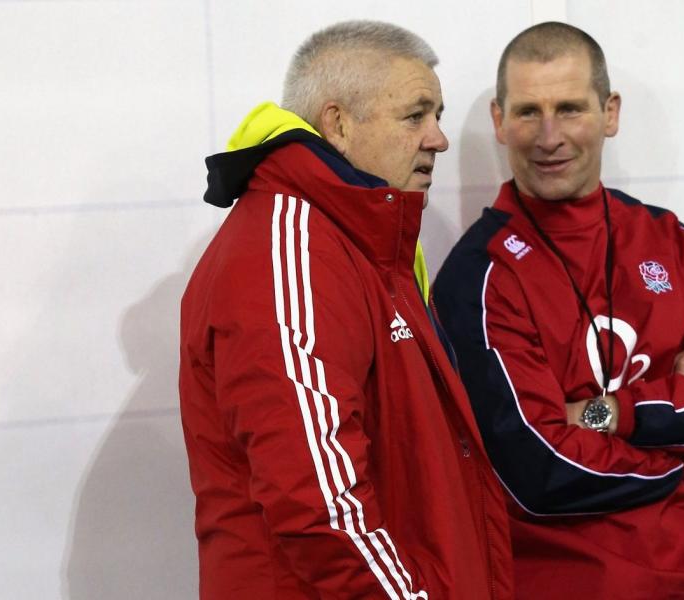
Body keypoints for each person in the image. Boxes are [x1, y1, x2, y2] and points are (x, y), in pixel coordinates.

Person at [433, 22, 684, 600]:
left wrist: (609, 414)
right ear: (499, 121)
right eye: (528, 112)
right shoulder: (478, 278)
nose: (549, 137)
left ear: (610, 112)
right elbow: (536, 468)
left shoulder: (671, 241)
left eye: (570, 108)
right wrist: (682, 441)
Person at [179, 20, 512, 599]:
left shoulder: (368, 240)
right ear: (337, 123)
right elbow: (320, 506)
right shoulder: (289, 252)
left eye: (437, 115)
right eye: (416, 115)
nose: (439, 138)